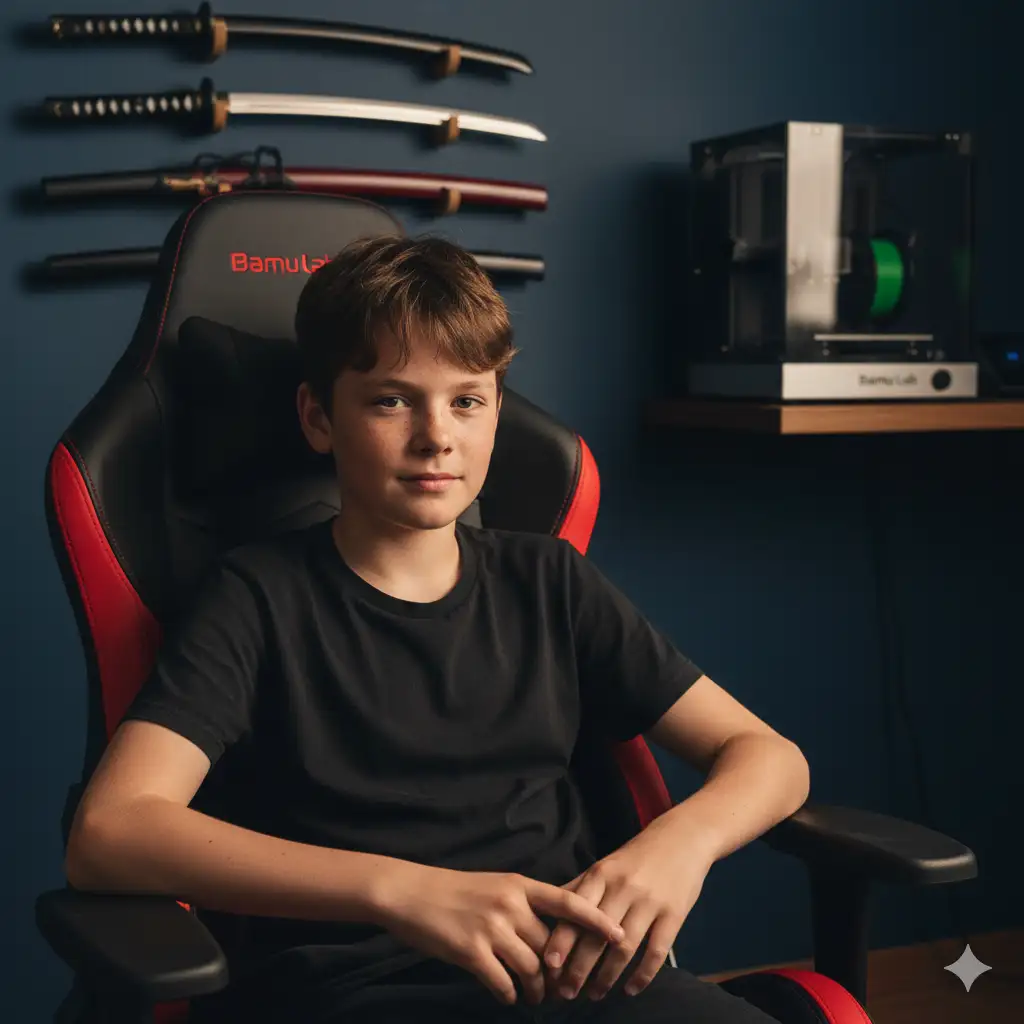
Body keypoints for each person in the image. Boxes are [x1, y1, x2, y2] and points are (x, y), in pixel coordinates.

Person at [63, 236, 811, 1024]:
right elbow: (110, 831)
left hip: (574, 979)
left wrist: (676, 848)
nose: (436, 436)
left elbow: (771, 758)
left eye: (467, 400)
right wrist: (403, 891)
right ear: (319, 417)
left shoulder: (549, 581)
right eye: (391, 400)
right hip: (361, 991)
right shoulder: (258, 599)